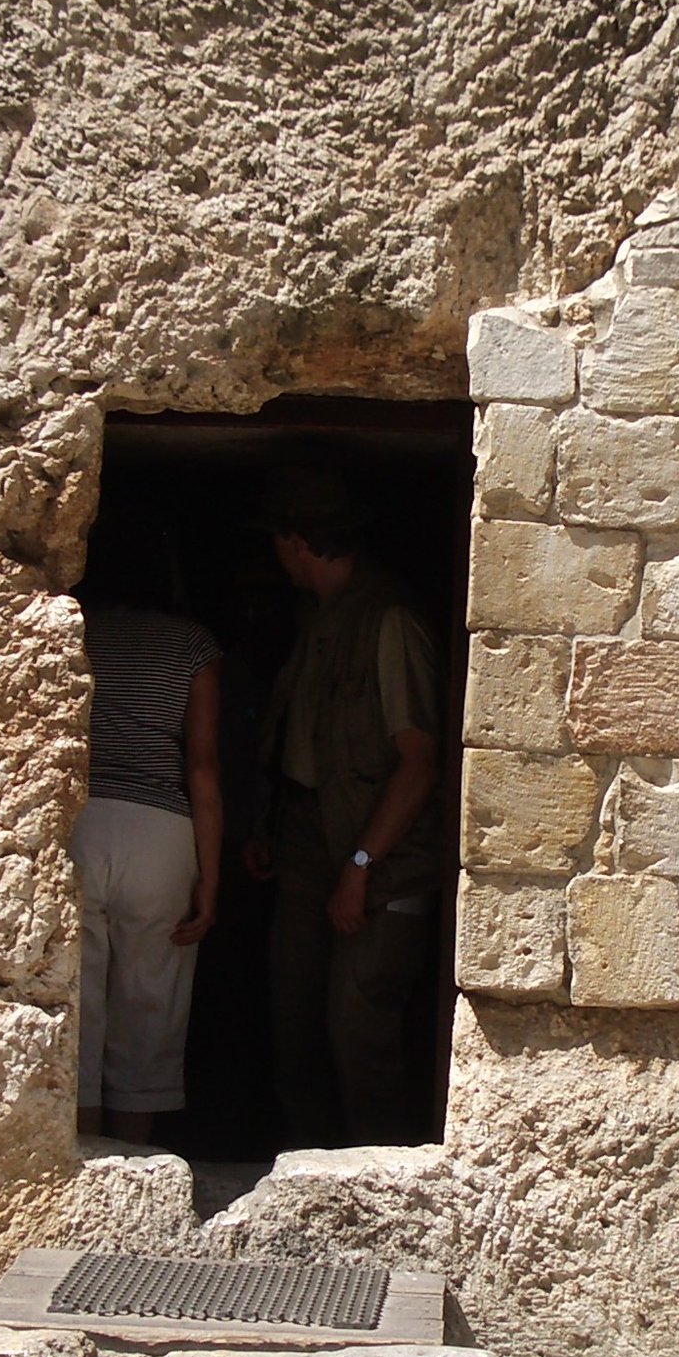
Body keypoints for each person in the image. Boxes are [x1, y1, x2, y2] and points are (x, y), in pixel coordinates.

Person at [246, 462, 443, 1146]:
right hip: (309, 844)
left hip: (378, 860)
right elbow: (301, 735)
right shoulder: (317, 618)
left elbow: (418, 762)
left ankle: (377, 1188)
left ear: (297, 540)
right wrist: (269, 820)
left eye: (278, 539)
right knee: (294, 1027)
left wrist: (362, 862)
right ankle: (302, 1180)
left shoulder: (389, 619)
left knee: (359, 1033)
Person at [72, 517, 224, 1145]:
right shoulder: (194, 646)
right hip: (161, 833)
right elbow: (204, 767)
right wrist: (210, 883)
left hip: (80, 820)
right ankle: (133, 1169)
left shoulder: (75, 633)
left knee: (77, 1011)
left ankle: (79, 1162)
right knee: (150, 1009)